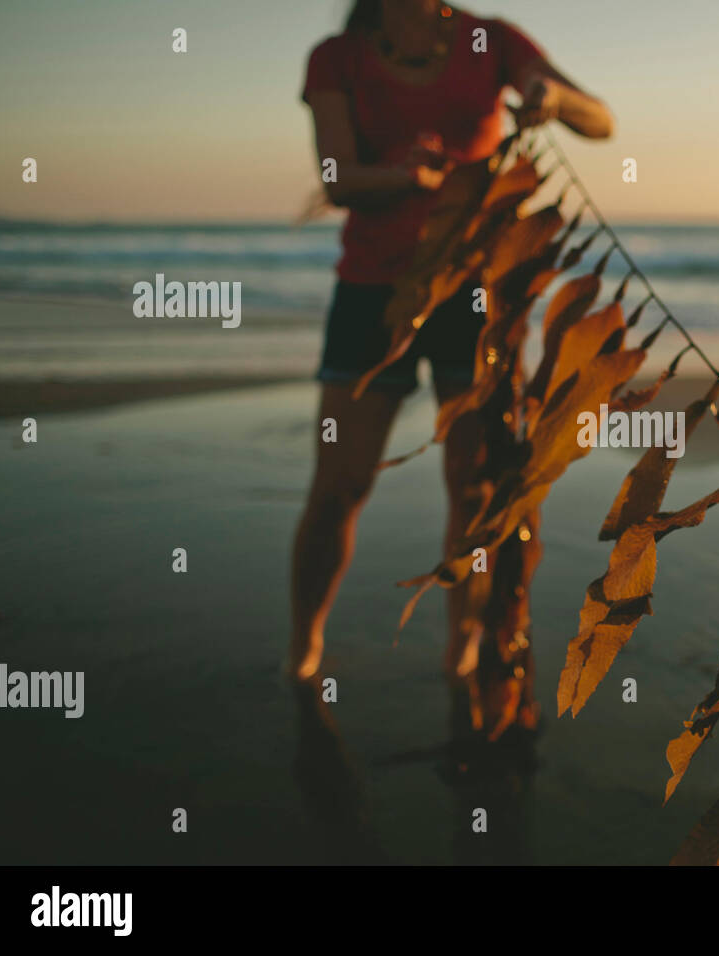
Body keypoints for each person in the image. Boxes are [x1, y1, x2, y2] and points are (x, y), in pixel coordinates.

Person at [290, 0, 613, 680]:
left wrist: (549, 96)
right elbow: (336, 177)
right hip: (374, 290)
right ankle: (304, 642)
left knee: (474, 486)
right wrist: (406, 178)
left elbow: (601, 119)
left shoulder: (490, 40)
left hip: (481, 295)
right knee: (339, 487)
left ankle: (462, 645)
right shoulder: (338, 57)